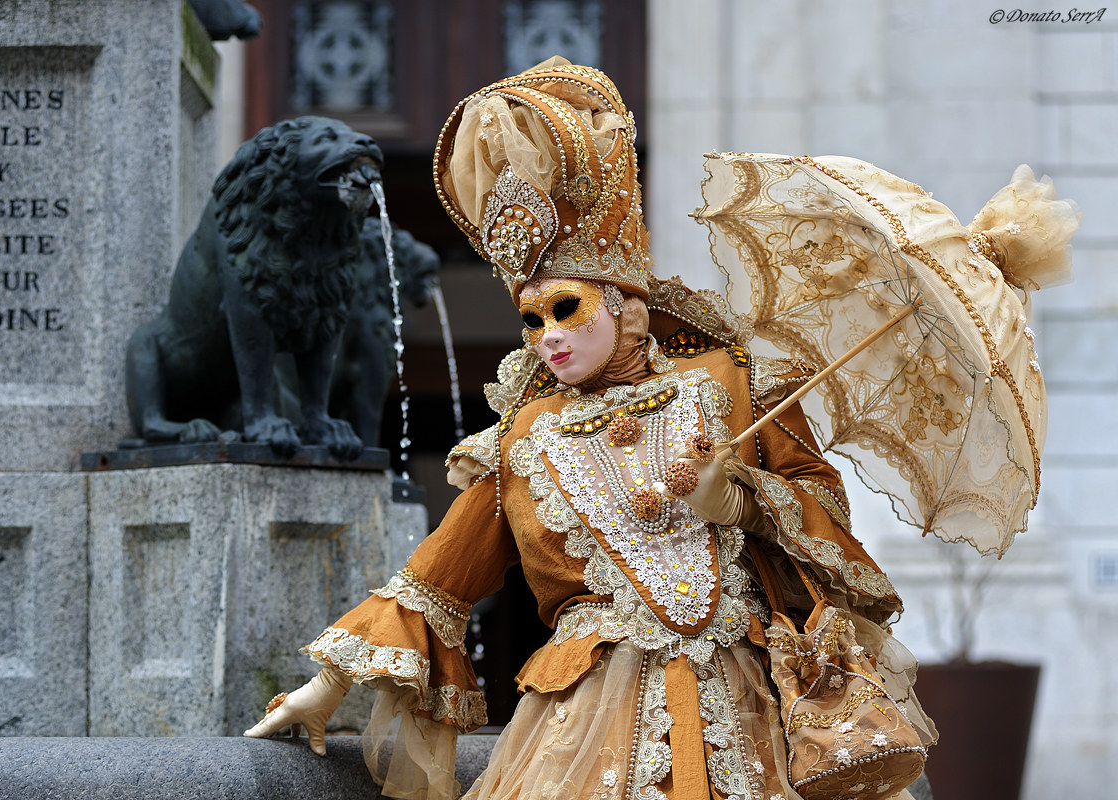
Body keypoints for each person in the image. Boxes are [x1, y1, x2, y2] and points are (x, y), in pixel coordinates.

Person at [245, 58, 936, 800]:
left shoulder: (736, 387)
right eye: (530, 319)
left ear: (623, 302)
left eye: (566, 308)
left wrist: (745, 501)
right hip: (584, 724)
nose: (546, 336)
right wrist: (327, 687)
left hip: (748, 705)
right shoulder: (524, 436)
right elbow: (437, 579)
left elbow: (832, 528)